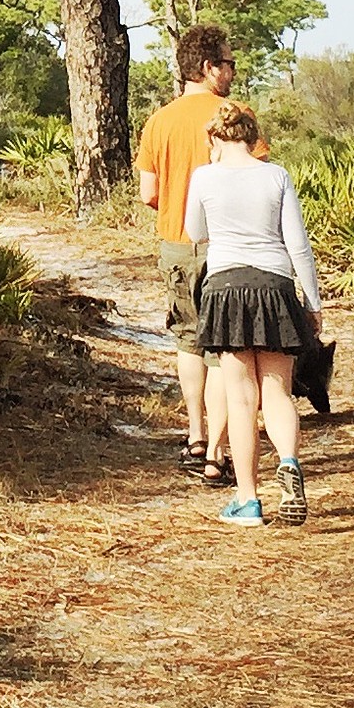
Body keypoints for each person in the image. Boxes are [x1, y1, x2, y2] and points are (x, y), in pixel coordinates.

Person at [184, 99, 324, 527]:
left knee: (242, 399)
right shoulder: (276, 175)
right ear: (251, 136)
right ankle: (290, 463)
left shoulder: (204, 177)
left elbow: (195, 232)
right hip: (275, 286)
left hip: (227, 288)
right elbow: (297, 245)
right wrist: (313, 303)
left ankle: (248, 500)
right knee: (277, 392)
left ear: (216, 138)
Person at [134, 24, 264, 479]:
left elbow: (149, 192)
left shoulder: (159, 120)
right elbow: (258, 179)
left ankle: (195, 438)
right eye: (228, 63)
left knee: (188, 340)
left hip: (175, 243)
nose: (232, 70)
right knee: (225, 350)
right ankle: (220, 453)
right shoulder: (235, 117)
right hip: (228, 246)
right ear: (208, 68)